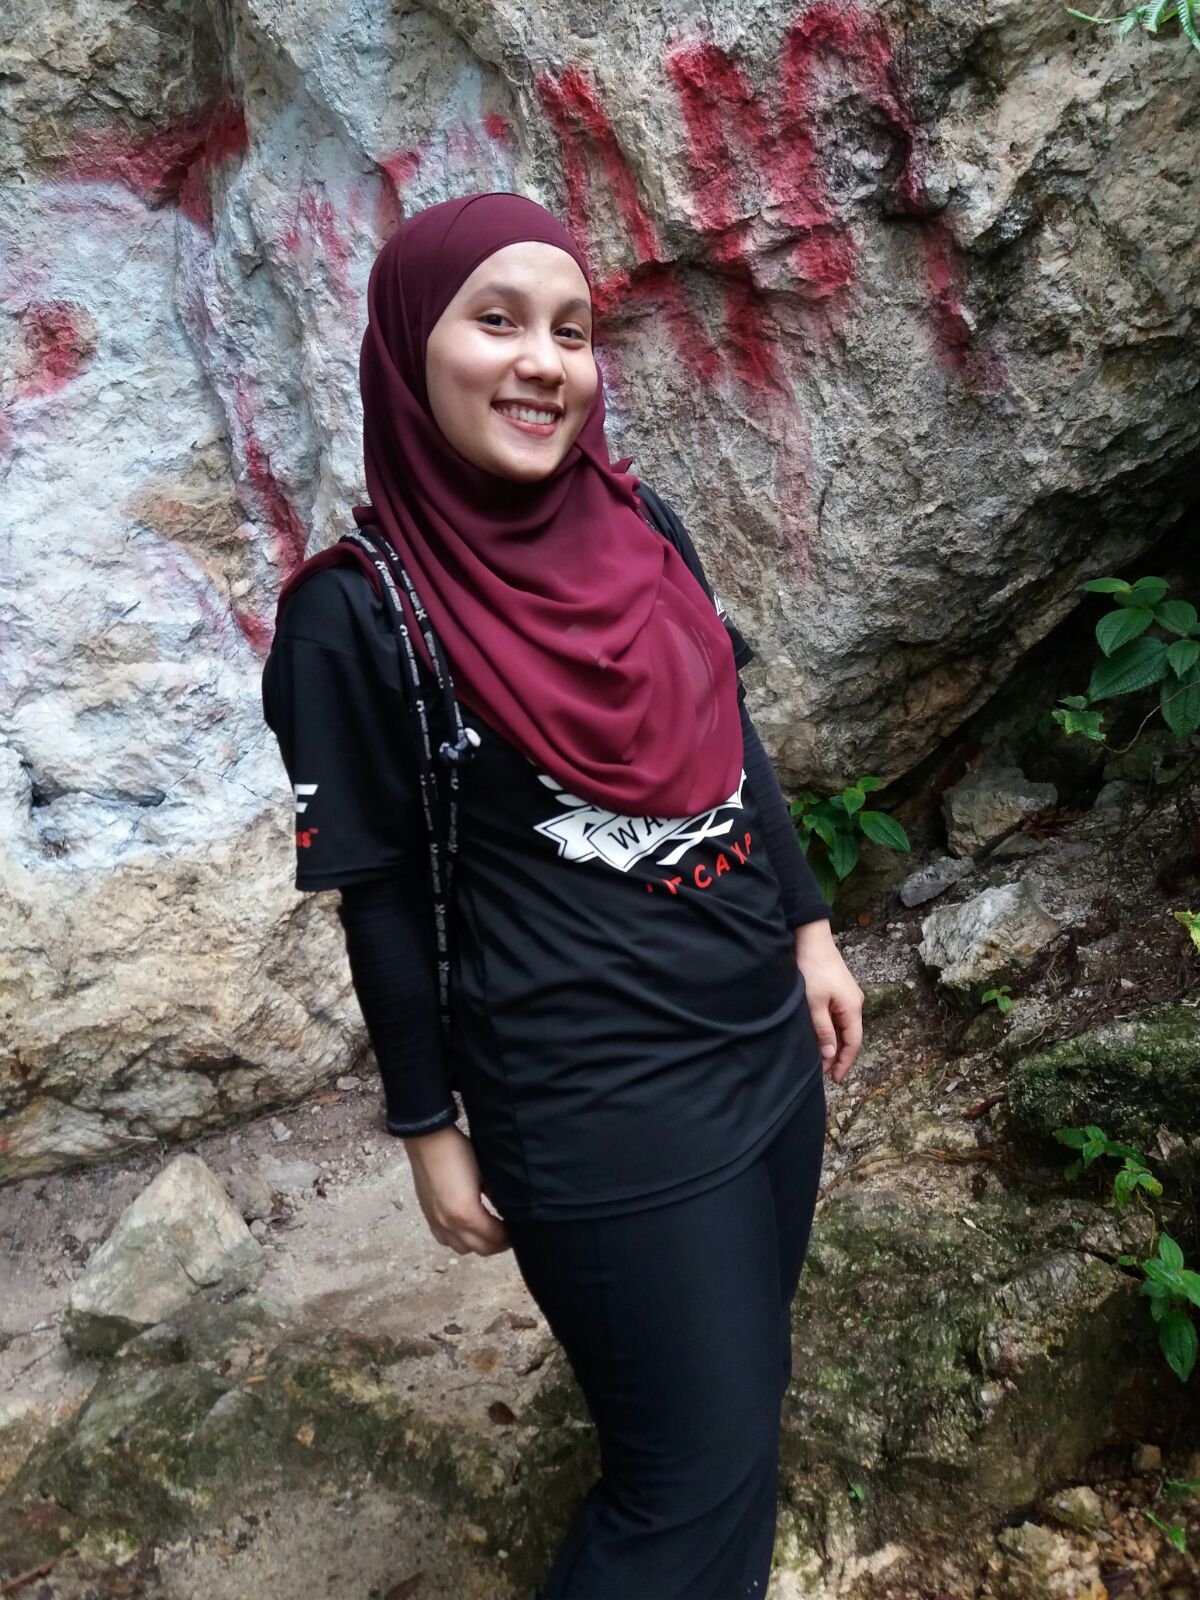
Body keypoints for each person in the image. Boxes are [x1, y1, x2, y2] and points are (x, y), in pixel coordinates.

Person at [261, 191, 864, 1599]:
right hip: (596, 1102)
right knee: (684, 1484)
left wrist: (810, 927)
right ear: (409, 348)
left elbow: (731, 740)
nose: (544, 361)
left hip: (762, 1046)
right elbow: (380, 902)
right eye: (497, 321)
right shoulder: (353, 615)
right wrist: (429, 1130)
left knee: (736, 1420)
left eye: (573, 331)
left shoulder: (643, 523)